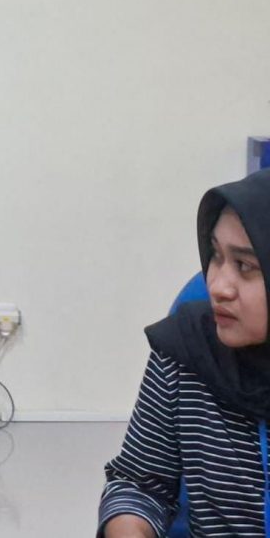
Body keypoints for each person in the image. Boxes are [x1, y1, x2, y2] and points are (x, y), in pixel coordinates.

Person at [98, 169, 270, 537]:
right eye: (216, 256)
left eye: (245, 266)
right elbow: (139, 485)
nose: (217, 286)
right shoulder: (188, 352)